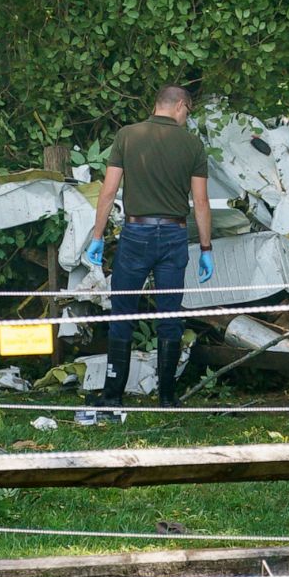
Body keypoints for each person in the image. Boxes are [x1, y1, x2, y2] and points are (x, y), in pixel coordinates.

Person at [86, 85, 215, 408]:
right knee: (170, 316)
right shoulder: (193, 144)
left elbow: (108, 191)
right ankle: (167, 398)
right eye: (188, 111)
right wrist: (206, 247)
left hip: (135, 234)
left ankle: (113, 395)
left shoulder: (127, 136)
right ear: (180, 106)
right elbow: (200, 202)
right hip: (173, 237)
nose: (187, 117)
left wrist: (98, 237)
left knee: (122, 313)